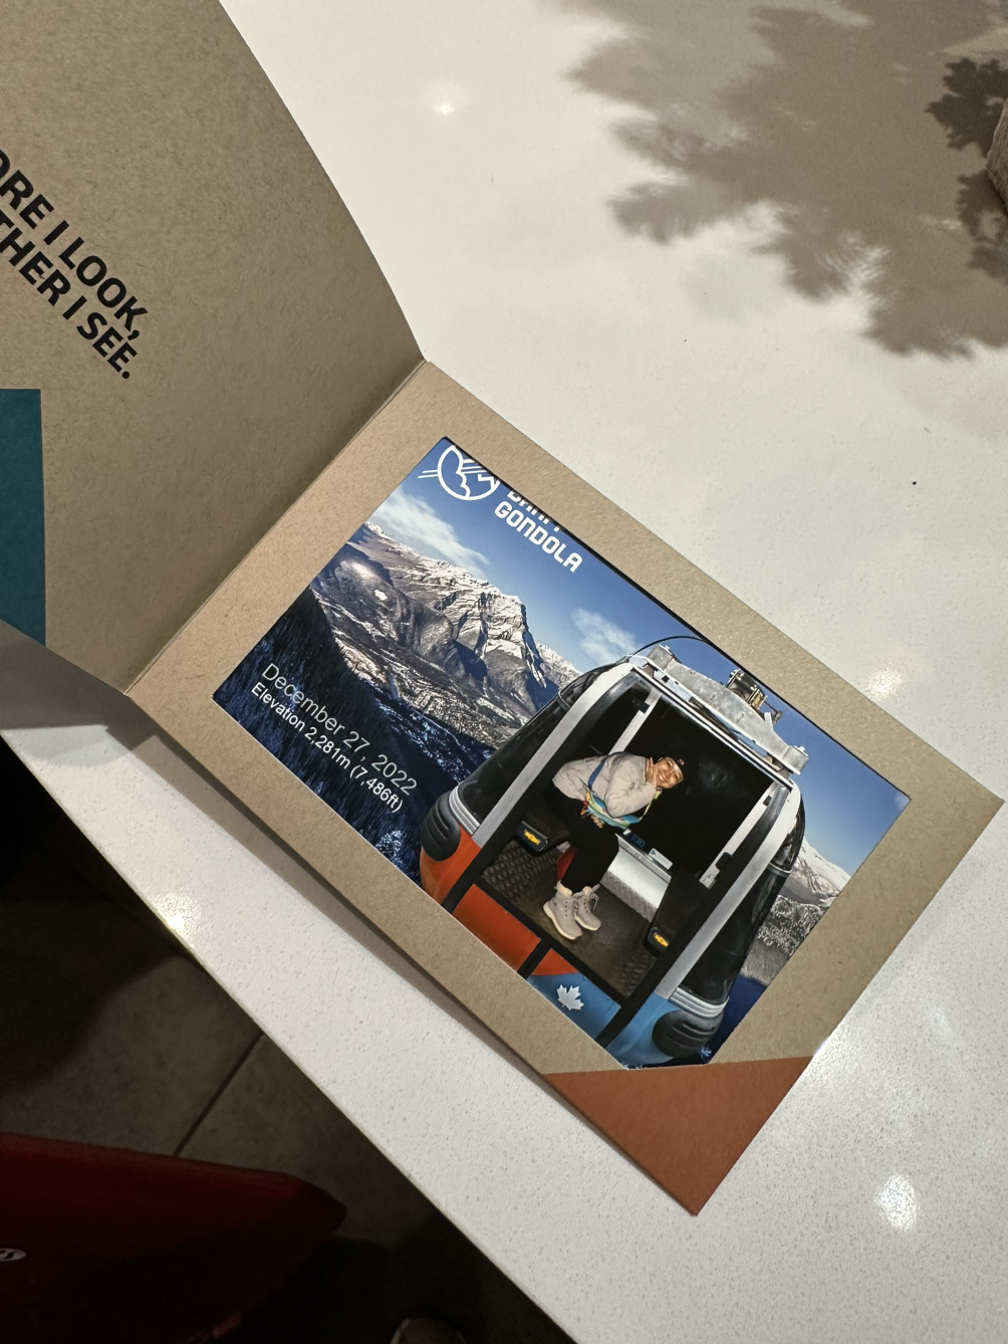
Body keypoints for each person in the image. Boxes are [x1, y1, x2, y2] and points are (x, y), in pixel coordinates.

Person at [542, 752, 685, 941]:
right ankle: (560, 901)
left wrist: (599, 817)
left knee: (611, 847)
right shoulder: (631, 767)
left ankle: (579, 895)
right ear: (660, 759)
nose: (668, 774)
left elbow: (619, 810)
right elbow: (616, 807)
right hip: (565, 789)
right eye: (669, 764)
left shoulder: (653, 784)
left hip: (586, 799)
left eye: (676, 776)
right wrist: (649, 788)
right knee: (596, 842)